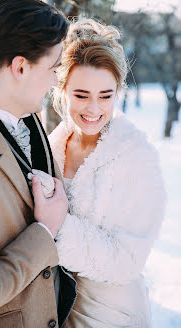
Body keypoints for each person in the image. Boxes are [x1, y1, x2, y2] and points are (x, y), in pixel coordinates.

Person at [0, 1, 77, 327]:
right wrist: (43, 231)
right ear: (20, 67)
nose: (56, 80)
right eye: (53, 68)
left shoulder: (27, 114)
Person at [49, 18, 166, 327]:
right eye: (81, 94)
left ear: (119, 92)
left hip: (111, 312)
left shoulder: (136, 157)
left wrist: (55, 229)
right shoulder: (51, 146)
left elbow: (128, 259)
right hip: (56, 307)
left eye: (106, 95)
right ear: (62, 90)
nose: (93, 109)